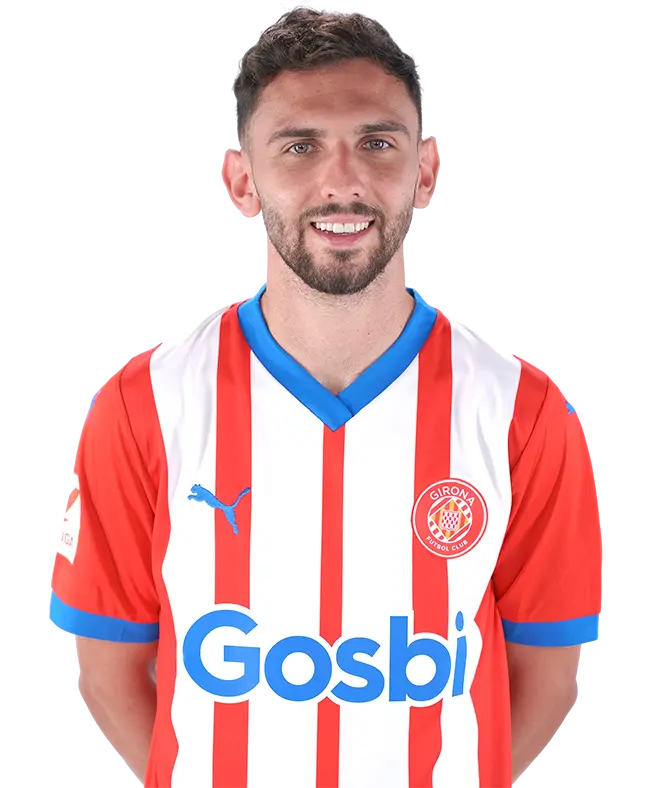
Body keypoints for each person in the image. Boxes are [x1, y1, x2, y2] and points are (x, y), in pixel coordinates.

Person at [49, 8, 602, 788]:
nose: (341, 181)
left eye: (376, 143)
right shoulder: (144, 408)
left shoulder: (525, 413)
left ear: (424, 171)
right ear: (242, 180)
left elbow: (546, 677)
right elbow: (108, 670)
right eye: (300, 146)